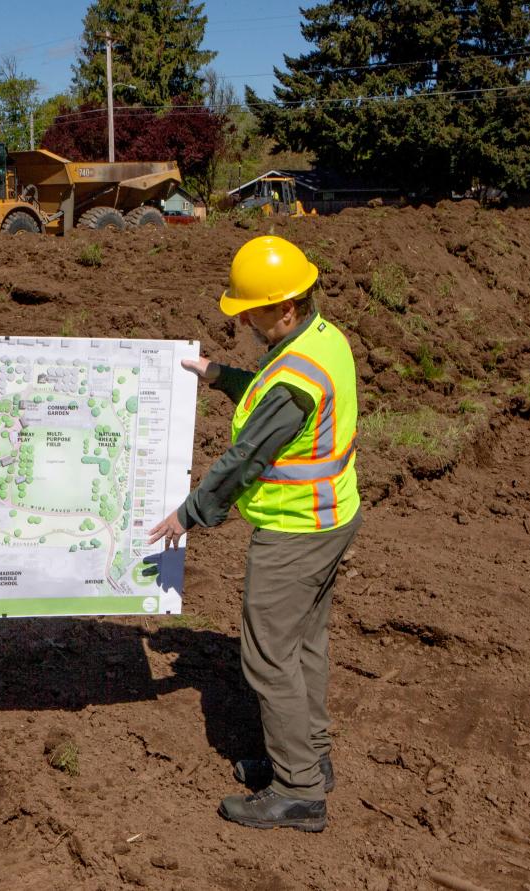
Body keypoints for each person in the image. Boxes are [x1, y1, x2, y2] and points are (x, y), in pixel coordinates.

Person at [148, 235, 361, 833]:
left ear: (284, 307)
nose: (242, 318)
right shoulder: (320, 340)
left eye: (251, 310)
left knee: (267, 656)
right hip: (331, 517)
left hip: (296, 531)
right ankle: (310, 759)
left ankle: (298, 793)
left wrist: (186, 515)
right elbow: (272, 395)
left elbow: (246, 458)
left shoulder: (295, 374)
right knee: (304, 645)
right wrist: (220, 375)